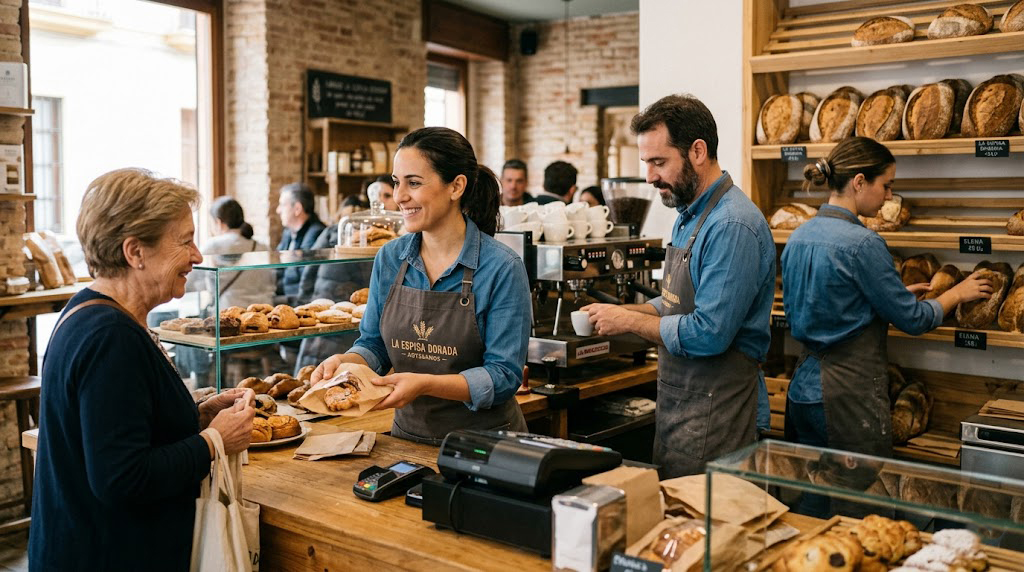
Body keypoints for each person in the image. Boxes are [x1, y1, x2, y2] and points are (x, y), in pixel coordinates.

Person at [29, 168, 256, 571]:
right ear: (135, 252)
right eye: (185, 241)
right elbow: (123, 478)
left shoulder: (89, 311)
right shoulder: (110, 338)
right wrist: (212, 441)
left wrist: (199, 416)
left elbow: (122, 429)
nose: (197, 256)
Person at [581, 94, 775, 478]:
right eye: (646, 163)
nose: (650, 177)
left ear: (698, 151)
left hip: (720, 413)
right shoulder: (687, 215)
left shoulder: (731, 226)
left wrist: (629, 323)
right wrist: (618, 314)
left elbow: (708, 334)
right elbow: (674, 305)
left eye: (659, 162)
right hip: (682, 406)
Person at [311, 126, 531, 445]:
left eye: (413, 183)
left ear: (456, 186)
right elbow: (374, 344)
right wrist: (346, 362)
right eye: (396, 182)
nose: (400, 196)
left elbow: (503, 377)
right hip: (408, 438)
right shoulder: (390, 257)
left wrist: (424, 383)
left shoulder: (502, 267)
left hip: (485, 447)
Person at [781, 137, 991, 458]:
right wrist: (956, 294)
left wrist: (890, 297)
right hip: (846, 400)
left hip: (802, 392)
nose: (890, 196)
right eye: (887, 185)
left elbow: (827, 302)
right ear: (859, 182)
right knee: (857, 502)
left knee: (809, 500)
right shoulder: (864, 244)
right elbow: (914, 320)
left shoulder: (799, 237)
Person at [204, 196, 276, 309]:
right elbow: (271, 283)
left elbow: (203, 282)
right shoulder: (262, 247)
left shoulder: (213, 246)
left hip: (229, 312)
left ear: (218, 222)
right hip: (263, 310)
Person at [276, 182, 326, 301]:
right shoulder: (288, 232)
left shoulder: (317, 233)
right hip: (285, 294)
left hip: (301, 300)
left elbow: (303, 277)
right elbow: (277, 265)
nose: (278, 210)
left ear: (297, 208)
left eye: (282, 205)